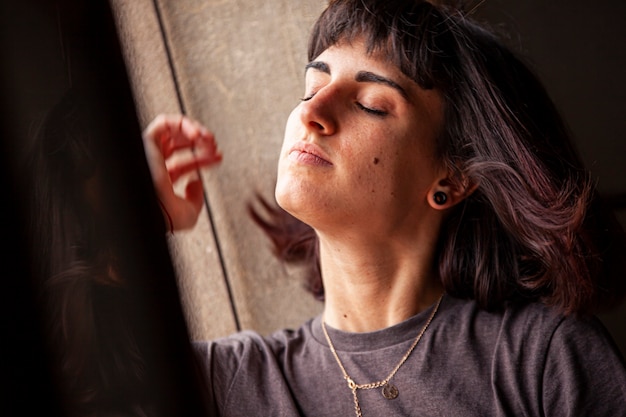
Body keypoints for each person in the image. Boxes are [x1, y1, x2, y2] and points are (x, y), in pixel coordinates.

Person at [143, 0, 626, 415]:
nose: (311, 112)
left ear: (453, 177)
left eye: (371, 103)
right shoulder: (227, 384)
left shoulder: (541, 361)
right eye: (311, 87)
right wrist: (135, 226)